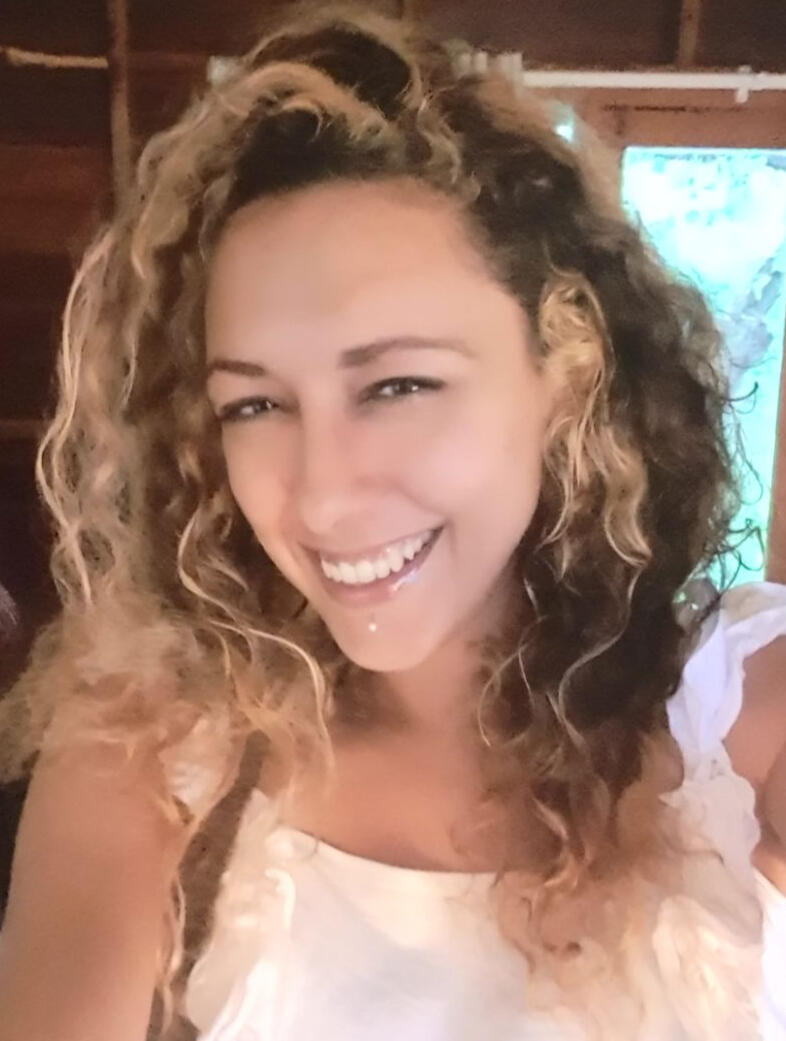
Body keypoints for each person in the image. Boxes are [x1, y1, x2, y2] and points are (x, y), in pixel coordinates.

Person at [0, 4, 784, 1039]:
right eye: (256, 404)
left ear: (566, 378)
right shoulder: (148, 752)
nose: (322, 496)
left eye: (399, 386)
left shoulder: (740, 717)